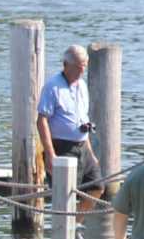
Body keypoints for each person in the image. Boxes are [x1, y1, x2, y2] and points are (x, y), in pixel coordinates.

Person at [37, 45, 104, 206]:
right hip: (62, 148)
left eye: (84, 66)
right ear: (66, 65)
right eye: (78, 67)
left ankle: (74, 224)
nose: (82, 71)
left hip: (82, 147)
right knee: (65, 195)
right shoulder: (52, 87)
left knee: (97, 187)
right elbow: (42, 120)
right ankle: (64, 228)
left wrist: (90, 152)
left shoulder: (82, 86)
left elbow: (83, 121)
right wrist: (51, 154)